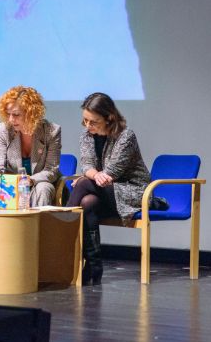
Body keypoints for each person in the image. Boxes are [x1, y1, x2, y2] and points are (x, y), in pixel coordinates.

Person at [66, 92, 168, 285]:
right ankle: (94, 265)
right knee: (88, 203)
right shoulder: (87, 135)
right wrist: (92, 175)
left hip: (134, 191)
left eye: (93, 122)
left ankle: (63, 234)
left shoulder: (125, 136)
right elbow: (87, 165)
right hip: (105, 191)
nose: (88, 126)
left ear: (109, 118)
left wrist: (91, 176)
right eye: (85, 120)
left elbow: (111, 172)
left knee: (83, 183)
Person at [0, 86, 61, 207]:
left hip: (40, 182)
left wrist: (30, 180)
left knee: (43, 189)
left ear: (32, 114)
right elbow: (0, 168)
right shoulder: (3, 130)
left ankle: (39, 226)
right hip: (13, 184)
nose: (10, 119)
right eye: (8, 114)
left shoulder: (51, 131)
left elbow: (51, 171)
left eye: (16, 114)